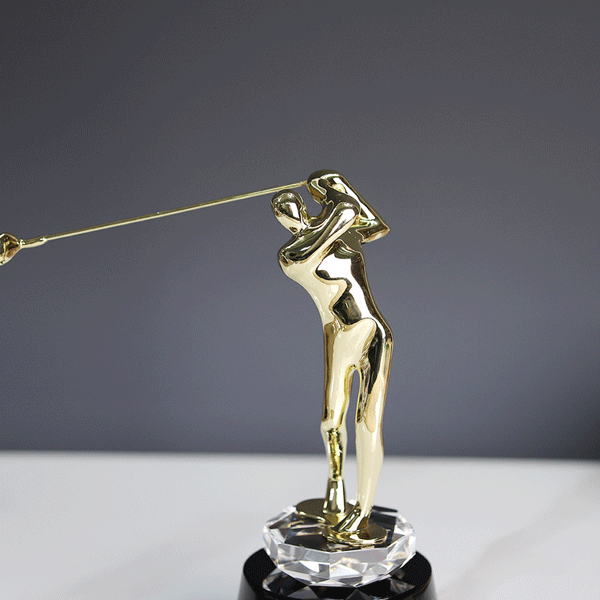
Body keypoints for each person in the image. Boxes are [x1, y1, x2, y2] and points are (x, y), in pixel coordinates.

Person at [271, 170, 393, 545]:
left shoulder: (342, 232)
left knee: (367, 424)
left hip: (369, 329)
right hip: (337, 335)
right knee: (329, 422)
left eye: (292, 204)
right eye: (281, 211)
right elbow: (345, 213)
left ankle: (362, 511)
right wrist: (335, 192)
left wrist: (334, 181)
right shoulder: (292, 255)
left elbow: (375, 226)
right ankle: (335, 491)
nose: (289, 212)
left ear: (303, 205)